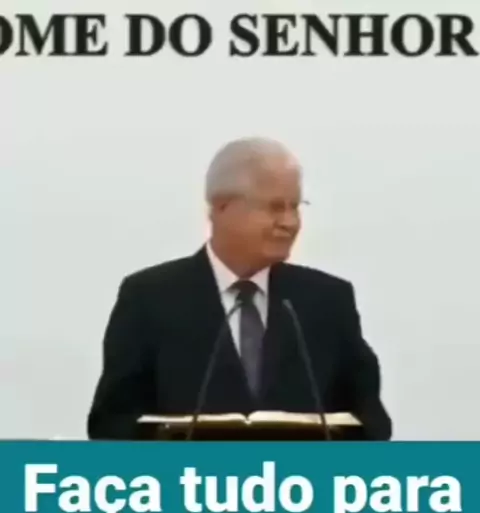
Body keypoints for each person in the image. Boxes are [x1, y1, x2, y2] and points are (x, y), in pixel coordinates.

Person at [87, 137, 392, 440]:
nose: (289, 222)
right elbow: (111, 424)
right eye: (274, 207)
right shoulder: (149, 298)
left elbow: (372, 422)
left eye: (295, 207)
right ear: (222, 207)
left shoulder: (327, 301)